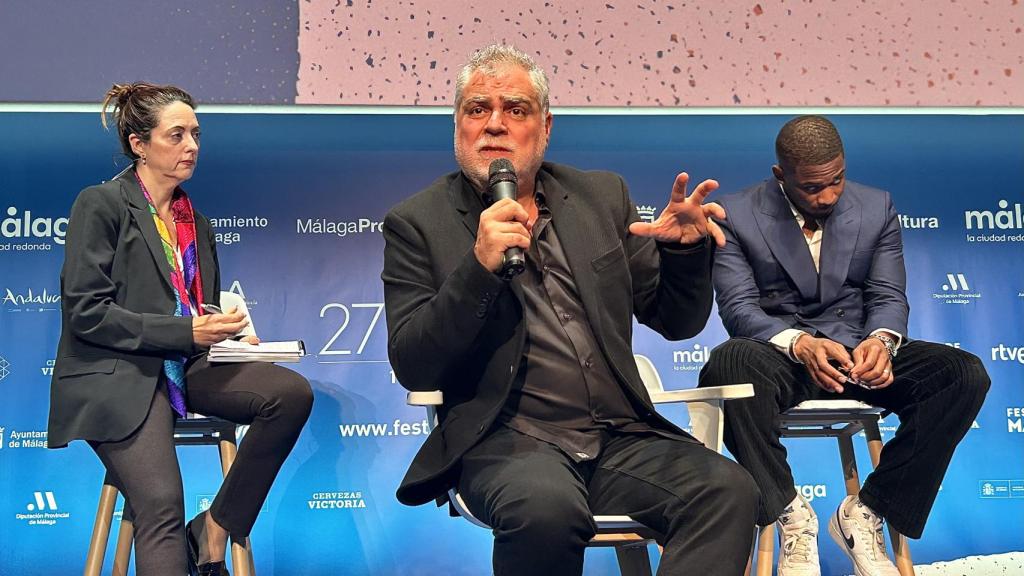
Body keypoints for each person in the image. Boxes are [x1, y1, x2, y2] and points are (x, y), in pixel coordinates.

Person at [382, 44, 758, 576]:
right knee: (546, 510)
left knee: (727, 489)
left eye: (515, 109)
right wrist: (478, 268)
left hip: (620, 437)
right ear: (457, 125)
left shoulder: (600, 196)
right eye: (476, 109)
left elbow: (676, 322)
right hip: (507, 444)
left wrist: (683, 253)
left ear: (546, 126)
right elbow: (413, 363)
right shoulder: (416, 223)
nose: (494, 125)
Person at [699, 115, 989, 576]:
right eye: (813, 188)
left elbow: (888, 295)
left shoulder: (877, 207)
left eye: (836, 180)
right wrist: (800, 344)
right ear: (781, 177)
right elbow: (738, 308)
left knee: (962, 373)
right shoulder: (736, 214)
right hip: (784, 360)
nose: (828, 196)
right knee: (727, 364)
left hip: (858, 356)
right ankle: (791, 513)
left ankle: (866, 512)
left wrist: (882, 341)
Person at [48, 83, 313, 576]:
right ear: (139, 144)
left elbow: (197, 308)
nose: (192, 144)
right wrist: (186, 332)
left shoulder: (198, 223)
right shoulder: (101, 204)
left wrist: (230, 338)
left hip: (185, 365)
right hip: (117, 373)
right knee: (163, 504)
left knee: (290, 394)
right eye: (177, 134)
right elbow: (87, 314)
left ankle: (211, 532)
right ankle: (188, 536)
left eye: (196, 133)